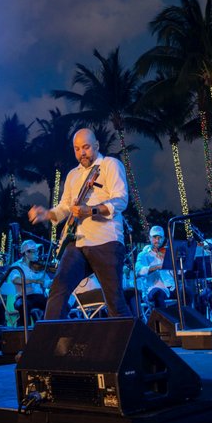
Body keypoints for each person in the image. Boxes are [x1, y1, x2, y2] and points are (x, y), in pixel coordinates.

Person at [28, 129, 130, 319]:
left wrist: (90, 210)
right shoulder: (72, 175)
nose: (81, 153)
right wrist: (46, 213)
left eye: (86, 147)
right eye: (77, 149)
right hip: (77, 243)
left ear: (97, 146)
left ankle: (130, 345)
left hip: (106, 241)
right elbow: (64, 207)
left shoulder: (110, 165)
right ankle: (50, 344)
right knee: (58, 290)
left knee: (115, 302)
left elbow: (121, 200)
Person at [134, 225, 175, 314]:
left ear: (164, 238)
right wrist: (157, 267)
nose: (157, 240)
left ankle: (186, 321)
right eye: (155, 237)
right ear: (149, 238)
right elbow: (138, 271)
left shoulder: (168, 253)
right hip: (152, 288)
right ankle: (164, 323)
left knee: (187, 292)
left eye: (160, 237)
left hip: (170, 287)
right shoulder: (143, 255)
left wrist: (181, 263)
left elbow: (179, 272)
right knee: (158, 294)